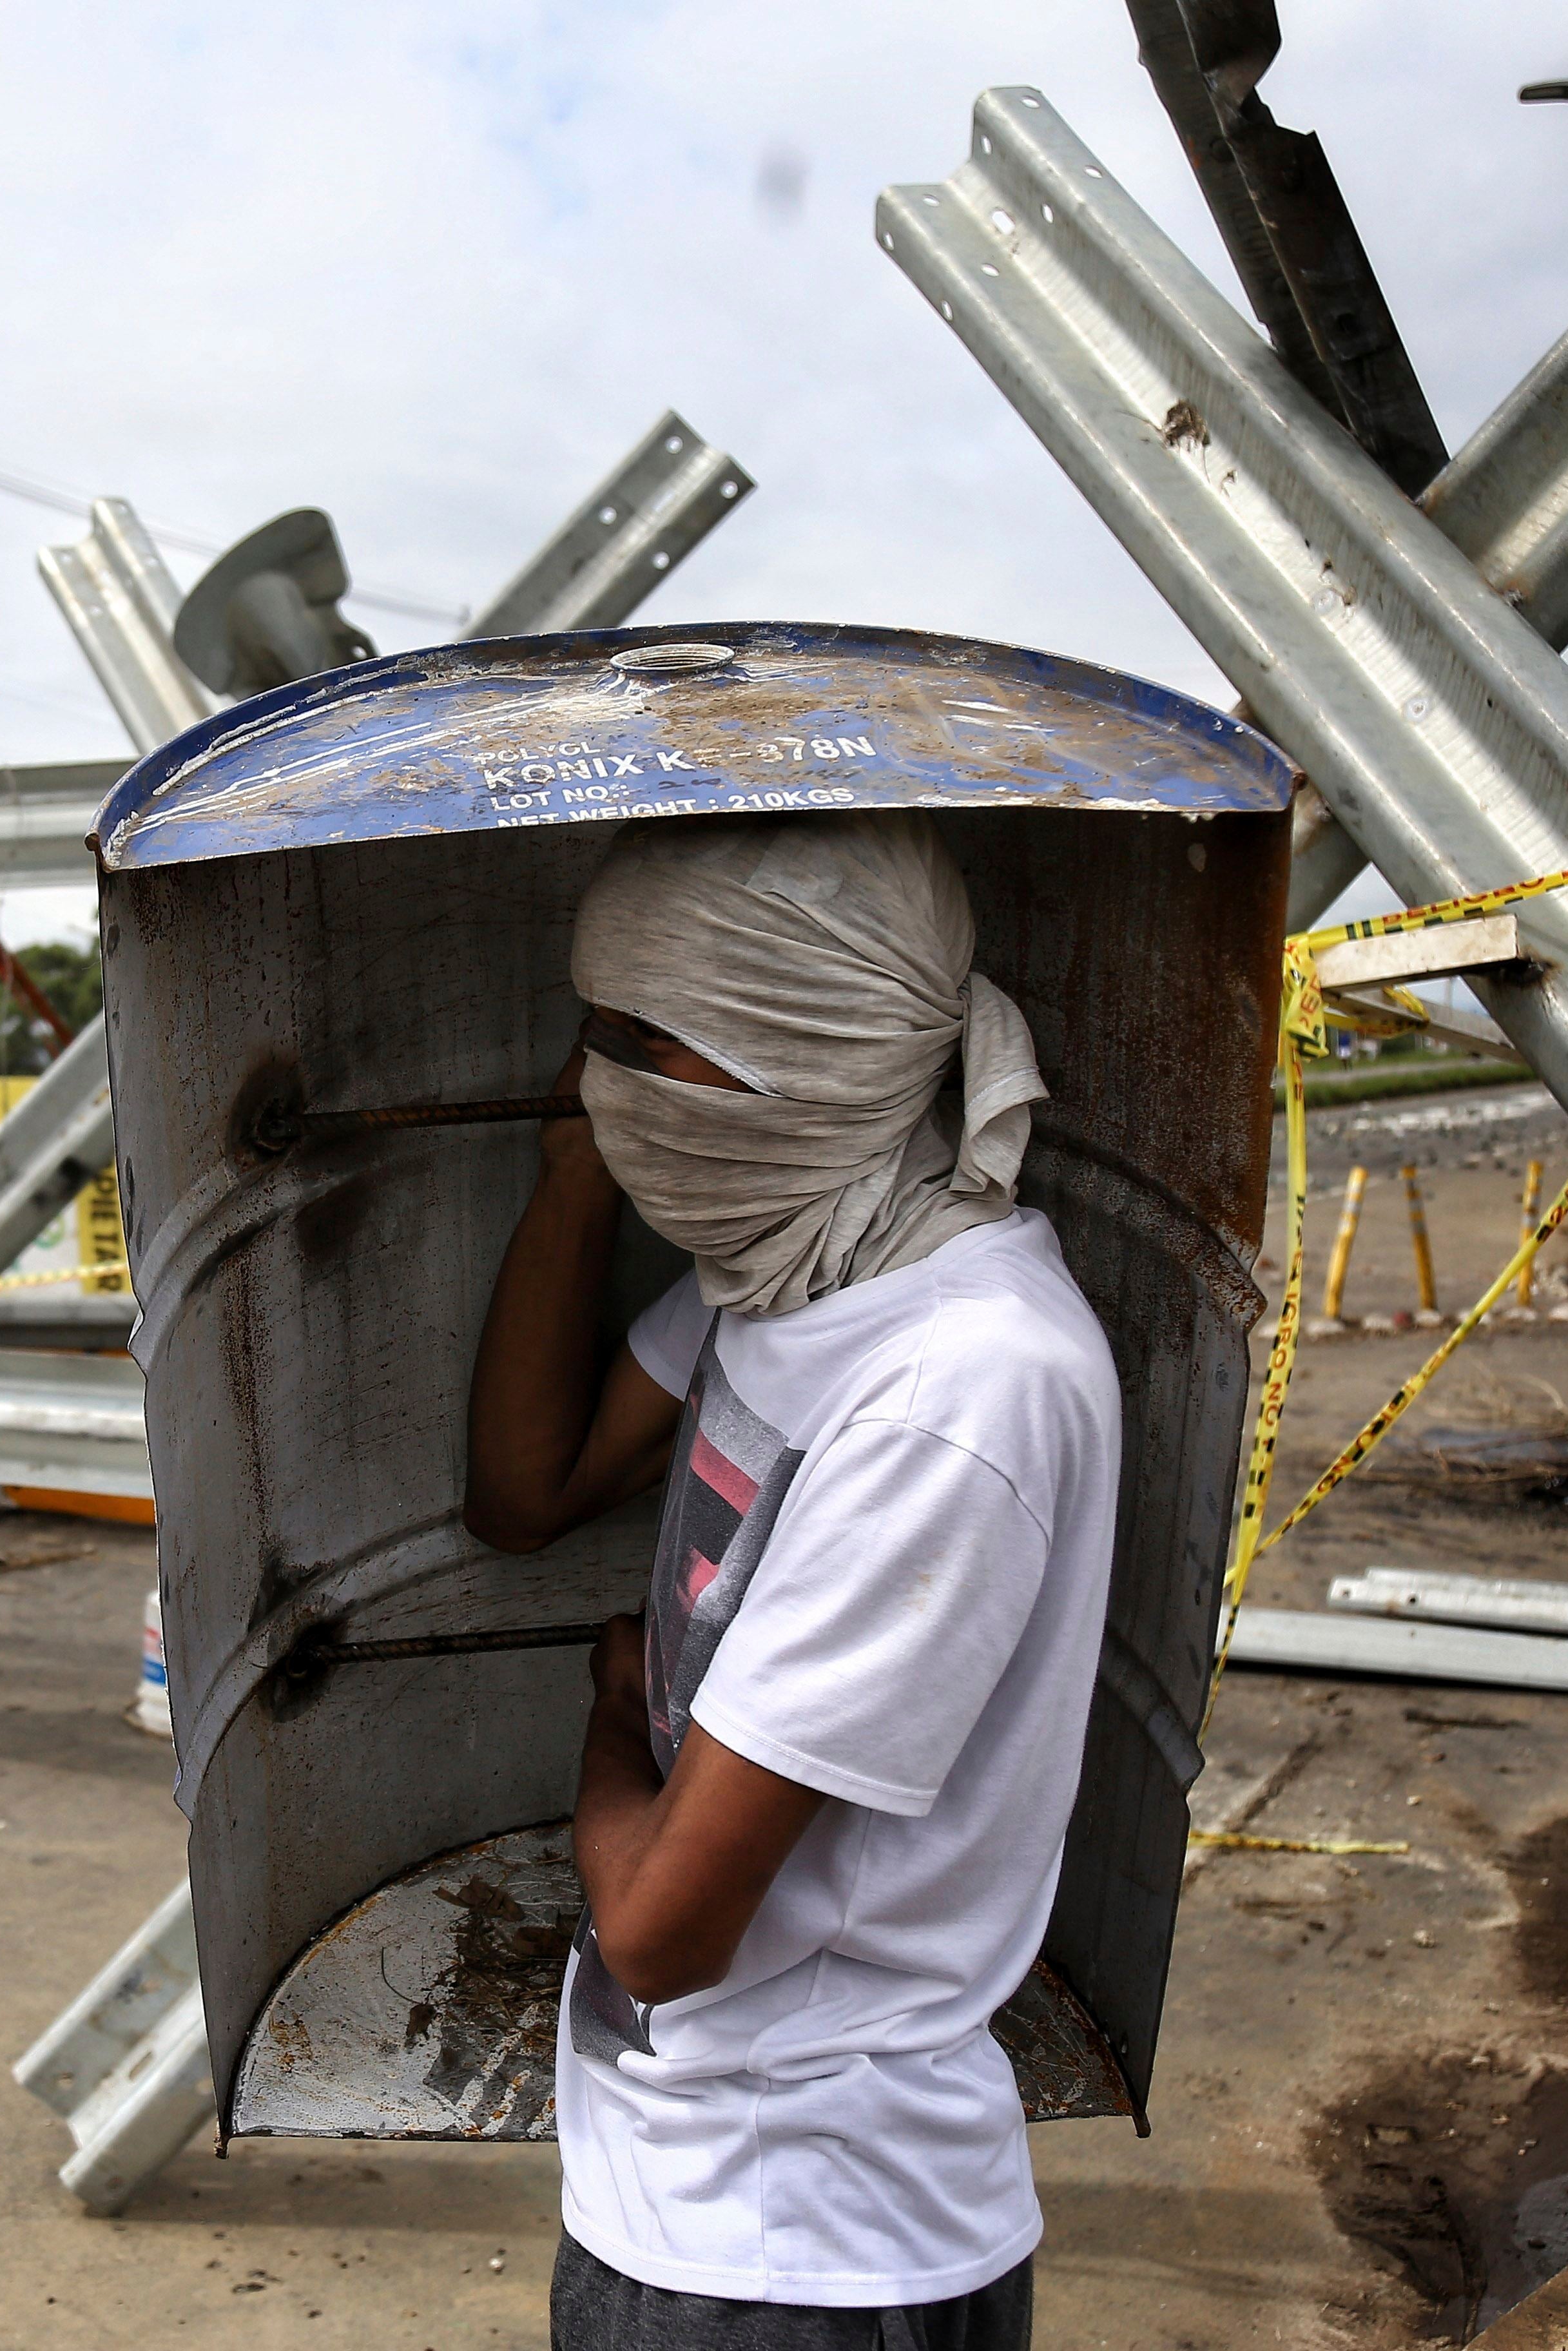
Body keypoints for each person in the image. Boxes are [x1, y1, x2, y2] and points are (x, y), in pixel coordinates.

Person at [464, 811, 1123, 2351]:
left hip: (795, 2252)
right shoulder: (797, 1267)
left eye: (646, 1043)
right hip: (702, 2199)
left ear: (802, 1049)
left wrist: (622, 1707)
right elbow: (525, 1491)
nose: (599, 1077)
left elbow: (660, 1933)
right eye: (595, 1037)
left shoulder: (957, 1384)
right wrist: (582, 1167)